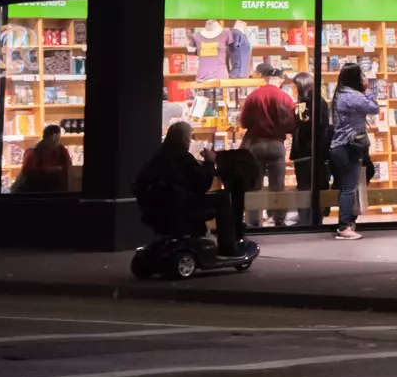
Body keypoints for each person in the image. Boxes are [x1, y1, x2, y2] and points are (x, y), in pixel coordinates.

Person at [133, 121, 242, 255]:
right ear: (184, 138)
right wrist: (209, 162)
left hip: (156, 211)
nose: (190, 141)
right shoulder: (183, 157)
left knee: (192, 199)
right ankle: (228, 247)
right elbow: (201, 185)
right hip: (180, 208)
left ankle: (199, 235)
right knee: (222, 198)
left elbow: (138, 185)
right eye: (190, 137)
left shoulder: (156, 157)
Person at [239, 64, 297, 227]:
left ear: (265, 79)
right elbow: (292, 123)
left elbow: (244, 122)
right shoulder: (285, 98)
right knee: (278, 184)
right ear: (279, 80)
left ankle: (253, 220)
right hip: (277, 145)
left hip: (256, 144)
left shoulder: (253, 96)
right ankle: (278, 218)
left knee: (254, 185)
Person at [327, 63, 379, 240]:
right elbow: (374, 108)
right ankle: (344, 227)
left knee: (345, 187)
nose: (364, 78)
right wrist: (369, 88)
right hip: (349, 147)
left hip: (340, 146)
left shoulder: (340, 94)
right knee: (349, 188)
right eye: (362, 75)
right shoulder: (352, 96)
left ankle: (346, 223)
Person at [290, 71, 330, 226]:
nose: (294, 90)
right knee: (309, 185)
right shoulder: (311, 102)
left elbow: (316, 127)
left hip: (308, 152)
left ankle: (309, 219)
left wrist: (304, 123)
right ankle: (310, 218)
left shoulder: (311, 103)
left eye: (295, 87)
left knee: (306, 185)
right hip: (308, 152)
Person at [13, 124, 71, 195]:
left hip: (57, 190)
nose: (55, 142)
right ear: (46, 138)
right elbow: (27, 171)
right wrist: (47, 170)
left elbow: (68, 168)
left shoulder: (61, 150)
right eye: (53, 139)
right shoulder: (34, 151)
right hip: (36, 190)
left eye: (57, 139)